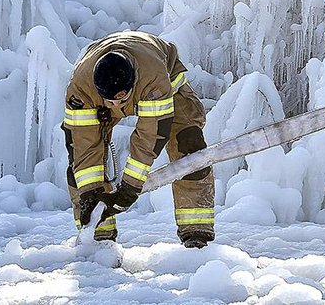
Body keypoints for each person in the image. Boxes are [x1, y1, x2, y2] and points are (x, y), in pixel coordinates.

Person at [62, 31, 214, 248]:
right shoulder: (80, 90)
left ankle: (196, 232)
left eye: (121, 99)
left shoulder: (153, 79)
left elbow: (149, 138)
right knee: (80, 168)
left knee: (189, 144)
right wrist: (88, 194)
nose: (116, 106)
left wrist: (130, 188)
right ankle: (98, 238)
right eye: (109, 101)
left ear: (132, 86)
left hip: (167, 84)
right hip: (98, 93)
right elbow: (84, 147)